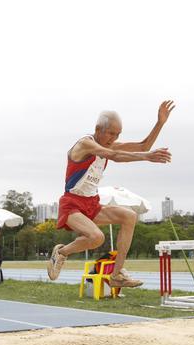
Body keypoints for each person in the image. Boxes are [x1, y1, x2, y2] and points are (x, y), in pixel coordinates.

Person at [48, 100, 174, 288]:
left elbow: (143, 146)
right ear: (98, 128)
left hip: (92, 204)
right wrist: (146, 158)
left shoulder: (109, 145)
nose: (114, 139)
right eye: (111, 133)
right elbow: (115, 156)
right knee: (97, 238)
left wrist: (160, 122)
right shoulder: (85, 144)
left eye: (118, 134)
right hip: (72, 204)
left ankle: (116, 275)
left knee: (130, 216)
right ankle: (62, 252)